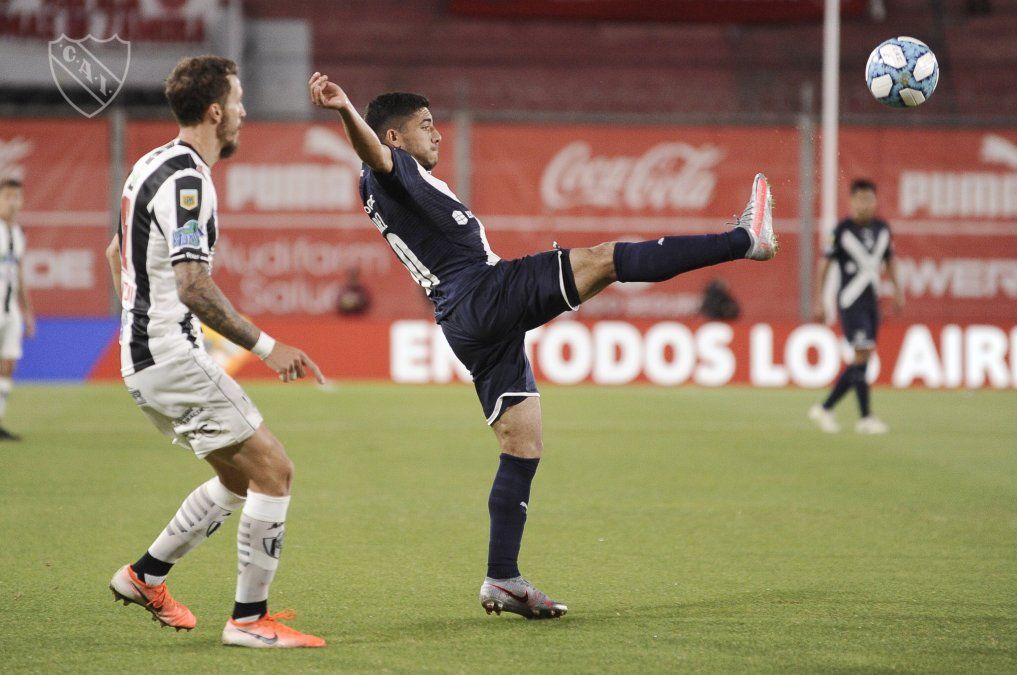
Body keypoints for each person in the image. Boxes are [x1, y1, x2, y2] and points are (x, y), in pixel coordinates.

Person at [309, 72, 777, 619]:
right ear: (394, 138)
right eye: (424, 126)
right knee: (604, 259)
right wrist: (345, 109)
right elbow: (376, 154)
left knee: (522, 445)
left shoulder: (381, 185)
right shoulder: (388, 171)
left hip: (461, 317)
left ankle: (502, 579)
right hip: (482, 292)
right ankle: (746, 239)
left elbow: (379, 163)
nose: (436, 135)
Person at [105, 56, 326, 648]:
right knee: (275, 471)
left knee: (236, 479)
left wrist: (137, 327)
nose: (245, 112)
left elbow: (113, 255)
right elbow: (193, 284)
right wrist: (268, 347)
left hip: (144, 356)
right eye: (239, 100)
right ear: (214, 112)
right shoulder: (187, 180)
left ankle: (144, 576)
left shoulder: (149, 164)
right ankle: (249, 621)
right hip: (169, 355)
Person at [809, 179, 905, 434]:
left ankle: (825, 408)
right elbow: (824, 265)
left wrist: (897, 291)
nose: (865, 205)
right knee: (862, 355)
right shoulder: (842, 230)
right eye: (860, 200)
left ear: (875, 201)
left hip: (872, 302)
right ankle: (864, 418)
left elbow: (890, 261)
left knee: (863, 360)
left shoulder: (883, 229)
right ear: (851, 201)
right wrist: (819, 300)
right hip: (850, 302)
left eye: (869, 199)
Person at [0, 177, 35, 441]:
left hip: (10, 310)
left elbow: (20, 275)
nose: (13, 202)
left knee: (8, 364)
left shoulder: (18, 232)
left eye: (17, 197)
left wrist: (28, 312)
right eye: (8, 196)